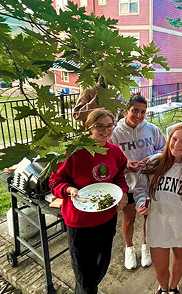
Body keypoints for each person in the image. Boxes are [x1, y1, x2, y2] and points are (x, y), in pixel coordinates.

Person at [49, 109, 129, 294]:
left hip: (107, 218)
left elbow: (119, 178)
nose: (106, 130)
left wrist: (123, 193)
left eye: (110, 125)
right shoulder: (73, 153)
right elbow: (54, 182)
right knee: (84, 274)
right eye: (99, 126)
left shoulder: (115, 152)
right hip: (80, 221)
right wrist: (68, 190)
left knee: (102, 264)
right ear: (88, 128)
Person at [134, 124, 182, 294]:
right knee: (161, 267)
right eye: (174, 139)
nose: (177, 145)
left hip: (181, 224)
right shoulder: (155, 162)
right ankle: (163, 289)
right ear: (168, 139)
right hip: (157, 223)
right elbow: (140, 188)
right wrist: (142, 203)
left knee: (179, 257)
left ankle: (173, 288)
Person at [111, 95, 166, 270]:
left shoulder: (151, 129)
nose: (139, 115)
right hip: (127, 183)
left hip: (148, 181)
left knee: (147, 216)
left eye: (143, 112)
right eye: (135, 111)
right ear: (127, 110)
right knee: (128, 218)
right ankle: (129, 248)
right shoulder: (115, 133)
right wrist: (125, 164)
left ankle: (145, 245)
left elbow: (163, 149)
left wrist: (150, 158)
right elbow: (110, 157)